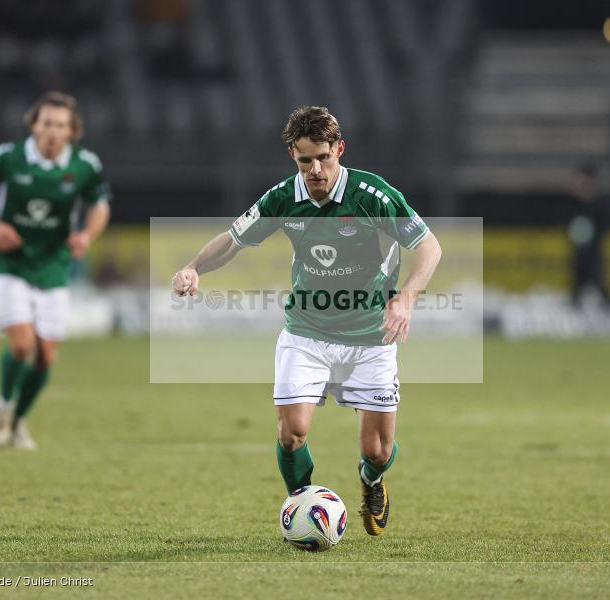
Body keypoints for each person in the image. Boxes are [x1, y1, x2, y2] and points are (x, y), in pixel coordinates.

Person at [171, 107, 442, 536]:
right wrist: (194, 268)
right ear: (292, 156)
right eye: (304, 160)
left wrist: (405, 299)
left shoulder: (373, 195)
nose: (315, 170)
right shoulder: (282, 198)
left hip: (371, 336)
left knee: (377, 450)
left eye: (323, 158)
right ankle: (304, 507)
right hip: (307, 332)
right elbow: (233, 240)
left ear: (339, 149)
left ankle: (371, 480)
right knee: (291, 434)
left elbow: (428, 247)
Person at [0, 91, 112, 449]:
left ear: (72, 131)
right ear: (34, 124)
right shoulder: (9, 157)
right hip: (11, 262)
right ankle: (2, 408)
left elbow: (100, 206)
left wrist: (87, 236)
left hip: (53, 265)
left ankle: (18, 422)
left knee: (46, 355)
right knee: (21, 345)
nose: (52, 130)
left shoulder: (85, 165)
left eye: (60, 125)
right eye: (46, 122)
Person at [567, 163, 610, 309]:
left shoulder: (599, 204)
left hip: (593, 252)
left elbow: (603, 228)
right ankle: (575, 313)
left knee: (599, 282)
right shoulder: (574, 203)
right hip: (580, 251)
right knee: (576, 285)